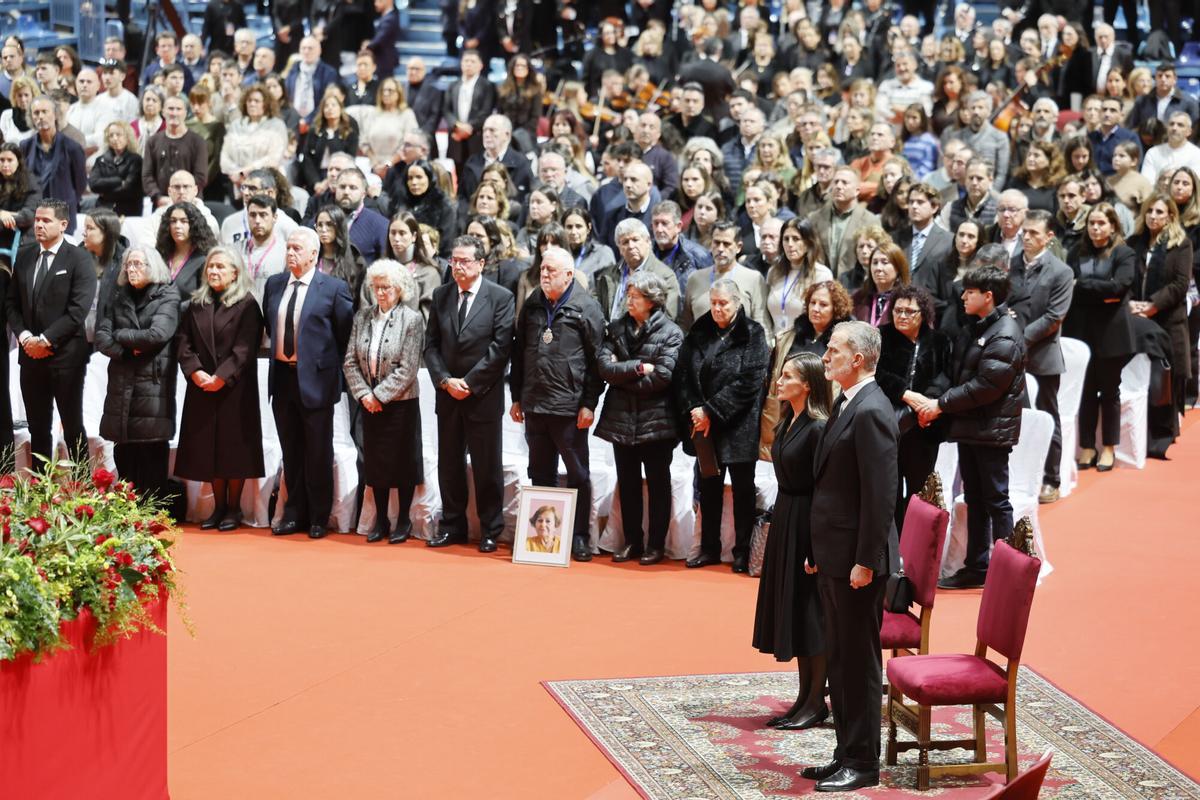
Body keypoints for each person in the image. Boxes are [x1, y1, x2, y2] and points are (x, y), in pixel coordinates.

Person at [801, 320, 897, 793]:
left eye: (833, 350)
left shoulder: (873, 410)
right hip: (835, 554)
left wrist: (865, 559)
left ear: (857, 359)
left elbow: (880, 498)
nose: (825, 357)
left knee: (858, 663)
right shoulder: (847, 403)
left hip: (858, 563)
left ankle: (864, 762)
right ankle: (845, 751)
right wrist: (821, 551)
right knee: (839, 659)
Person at [509, 245, 606, 562]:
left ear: (568, 274)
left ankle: (578, 536)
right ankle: (543, 541)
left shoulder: (586, 307)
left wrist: (589, 402)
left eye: (551, 270)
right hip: (535, 403)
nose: (544, 274)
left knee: (578, 474)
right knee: (540, 471)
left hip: (569, 406)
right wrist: (516, 396)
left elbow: (597, 362)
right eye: (542, 269)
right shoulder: (534, 303)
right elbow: (519, 350)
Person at [752, 351, 831, 729]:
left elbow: (824, 490)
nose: (779, 382)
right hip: (787, 519)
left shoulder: (818, 427)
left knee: (812, 615)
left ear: (808, 385)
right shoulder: (788, 421)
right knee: (797, 613)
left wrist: (816, 545)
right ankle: (804, 698)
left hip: (807, 524)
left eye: (787, 376)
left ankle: (817, 702)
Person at [424, 235, 515, 551]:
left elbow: (501, 348)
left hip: (483, 396)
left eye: (464, 261)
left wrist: (470, 383)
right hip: (448, 393)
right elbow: (431, 345)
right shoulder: (441, 295)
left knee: (487, 465)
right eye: (454, 260)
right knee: (449, 464)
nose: (458, 266)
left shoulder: (500, 297)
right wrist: (446, 381)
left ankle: (491, 528)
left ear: (481, 264)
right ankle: (452, 525)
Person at [674, 277, 770, 572]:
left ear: (737, 303)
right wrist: (694, 409)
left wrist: (711, 411)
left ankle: (741, 552)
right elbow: (683, 375)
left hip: (739, 424)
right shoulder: (698, 331)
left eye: (723, 303)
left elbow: (751, 381)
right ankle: (708, 549)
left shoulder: (753, 333)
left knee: (742, 491)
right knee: (709, 488)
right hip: (703, 427)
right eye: (713, 303)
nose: (717, 308)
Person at [264, 228, 355, 539]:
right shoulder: (274, 285)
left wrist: (329, 370)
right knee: (292, 452)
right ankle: (294, 513)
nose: (290, 253)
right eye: (288, 247)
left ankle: (318, 515)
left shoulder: (332, 288)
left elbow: (345, 335)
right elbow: (270, 324)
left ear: (314, 255)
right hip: (283, 377)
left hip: (316, 380)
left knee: (317, 451)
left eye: (297, 248)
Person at [595, 271, 683, 565]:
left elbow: (663, 377)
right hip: (622, 419)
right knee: (628, 483)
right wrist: (636, 369)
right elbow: (604, 368)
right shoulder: (617, 327)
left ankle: (656, 545)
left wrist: (624, 373)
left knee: (658, 485)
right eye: (628, 295)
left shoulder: (671, 332)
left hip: (657, 420)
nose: (628, 300)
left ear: (651, 301)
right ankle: (633, 541)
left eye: (634, 296)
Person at [175, 246, 265, 531]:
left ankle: (234, 508)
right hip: (202, 385)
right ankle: (217, 507)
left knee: (232, 449)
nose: (213, 271)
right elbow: (183, 342)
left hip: (234, 388)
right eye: (210, 267)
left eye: (220, 267)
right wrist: (196, 372)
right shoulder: (195, 304)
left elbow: (244, 348)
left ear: (235, 273)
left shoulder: (248, 304)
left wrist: (221, 377)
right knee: (208, 448)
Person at [6, 199, 96, 464]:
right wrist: (24, 337)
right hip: (30, 356)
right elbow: (11, 303)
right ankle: (39, 493)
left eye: (46, 220)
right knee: (37, 427)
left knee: (72, 425)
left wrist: (45, 340)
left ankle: (82, 488)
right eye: (37, 220)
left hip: (66, 357)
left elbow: (78, 310)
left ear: (63, 224)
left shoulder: (79, 258)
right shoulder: (24, 255)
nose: (39, 225)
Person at [343, 260, 425, 544]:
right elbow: (350, 361)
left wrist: (379, 395)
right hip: (368, 402)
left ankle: (403, 519)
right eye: (376, 287)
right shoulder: (362, 317)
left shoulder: (411, 319)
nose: (380, 292)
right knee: (375, 463)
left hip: (400, 402)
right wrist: (365, 394)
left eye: (386, 287)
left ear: (399, 289)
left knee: (403, 462)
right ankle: (380, 520)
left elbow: (408, 367)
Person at [94, 248, 180, 498]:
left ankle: (153, 512)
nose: (131, 269)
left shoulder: (168, 295)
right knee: (124, 449)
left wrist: (120, 336)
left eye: (138, 264)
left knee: (151, 450)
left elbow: (157, 335)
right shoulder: (119, 295)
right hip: (122, 382)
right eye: (128, 264)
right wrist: (127, 351)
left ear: (152, 266)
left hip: (152, 384)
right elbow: (101, 337)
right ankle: (129, 510)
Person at [1008, 209, 1074, 504]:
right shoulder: (1011, 265)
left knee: (1048, 417)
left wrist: (1019, 337)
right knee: (1014, 416)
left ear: (1048, 237)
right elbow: (1003, 302)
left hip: (1042, 356)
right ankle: (1018, 473)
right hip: (1011, 355)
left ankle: (1052, 478)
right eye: (1024, 231)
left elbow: (1053, 317)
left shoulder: (1061, 271)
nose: (1026, 236)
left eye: (1034, 232)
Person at [1065, 203, 1136, 473]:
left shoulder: (1124, 252)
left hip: (1111, 331)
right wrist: (1102, 293)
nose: (1096, 228)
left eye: (1101, 223)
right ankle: (1087, 446)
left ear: (1113, 226)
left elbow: (1119, 288)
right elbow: (1069, 286)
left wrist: (1083, 287)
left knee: (1109, 391)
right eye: (1092, 223)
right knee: (1084, 391)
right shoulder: (1076, 251)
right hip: (1081, 329)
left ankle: (1108, 446)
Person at [875, 285, 953, 529]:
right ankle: (890, 546)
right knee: (890, 488)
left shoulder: (939, 341)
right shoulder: (881, 335)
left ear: (924, 313)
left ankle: (913, 544)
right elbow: (874, 373)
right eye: (898, 310)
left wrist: (927, 406)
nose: (902, 316)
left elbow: (945, 377)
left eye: (910, 311)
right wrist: (905, 394)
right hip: (888, 423)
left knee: (920, 489)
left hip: (925, 425)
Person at [1128, 194, 1193, 458]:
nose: (1153, 216)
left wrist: (1153, 304)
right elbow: (1124, 277)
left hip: (1168, 321)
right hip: (1136, 319)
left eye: (1159, 211)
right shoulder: (1134, 243)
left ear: (1170, 216)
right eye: (1150, 211)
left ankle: (1163, 435)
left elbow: (1179, 284)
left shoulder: (1181, 244)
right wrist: (1132, 304)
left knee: (1165, 379)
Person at [679, 221, 770, 335]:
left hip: (740, 349)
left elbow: (762, 323)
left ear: (738, 247)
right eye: (716, 243)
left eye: (726, 244)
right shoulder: (695, 279)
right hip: (702, 349)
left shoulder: (754, 279)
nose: (720, 248)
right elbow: (685, 324)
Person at [593, 219, 680, 323]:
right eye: (625, 242)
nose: (631, 246)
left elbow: (667, 318)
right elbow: (594, 308)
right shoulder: (607, 275)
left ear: (648, 242)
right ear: (619, 249)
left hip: (642, 337)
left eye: (635, 240)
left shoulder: (665, 276)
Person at [20, 96, 86, 233]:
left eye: (45, 111)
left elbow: (80, 184)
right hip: (35, 216)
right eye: (36, 113)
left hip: (62, 215)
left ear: (55, 114)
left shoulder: (72, 147)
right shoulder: (25, 146)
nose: (41, 116)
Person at [766, 217, 833, 335]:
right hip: (775, 344)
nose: (790, 244)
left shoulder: (822, 274)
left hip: (804, 345)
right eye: (786, 239)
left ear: (808, 243)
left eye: (796, 239)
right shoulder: (774, 272)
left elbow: (824, 318)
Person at [142, 95, 209, 207]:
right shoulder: (152, 141)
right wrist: (157, 197)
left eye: (178, 109)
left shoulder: (198, 142)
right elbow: (147, 175)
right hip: (161, 204)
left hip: (191, 204)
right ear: (163, 112)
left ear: (185, 113)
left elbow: (201, 177)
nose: (174, 113)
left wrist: (181, 196)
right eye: (170, 109)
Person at [443, 49, 497, 179]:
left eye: (473, 61)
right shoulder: (453, 85)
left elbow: (486, 111)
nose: (469, 64)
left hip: (476, 138)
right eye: (466, 61)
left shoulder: (487, 86)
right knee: (459, 174)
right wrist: (456, 126)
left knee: (477, 175)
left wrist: (469, 127)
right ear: (461, 64)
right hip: (456, 136)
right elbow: (446, 110)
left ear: (481, 65)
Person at [156, 202, 216, 299]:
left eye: (184, 221)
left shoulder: (204, 259)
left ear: (194, 225)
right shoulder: (160, 255)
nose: (177, 226)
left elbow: (205, 299)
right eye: (173, 221)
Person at [88, 121, 143, 216]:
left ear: (127, 136)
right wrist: (118, 181)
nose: (115, 138)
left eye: (118, 134)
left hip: (128, 211)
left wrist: (104, 193)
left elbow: (129, 189)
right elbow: (93, 185)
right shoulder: (101, 160)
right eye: (111, 135)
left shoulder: (136, 160)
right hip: (103, 210)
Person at [853, 242, 911, 326]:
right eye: (875, 263)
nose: (878, 268)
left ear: (898, 268)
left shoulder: (909, 300)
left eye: (885, 262)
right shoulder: (857, 299)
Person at [0, 143, 39, 266]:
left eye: (10, 160)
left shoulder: (30, 181)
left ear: (18, 161)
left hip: (23, 239)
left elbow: (29, 215)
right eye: (1, 160)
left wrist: (7, 215)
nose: (5, 164)